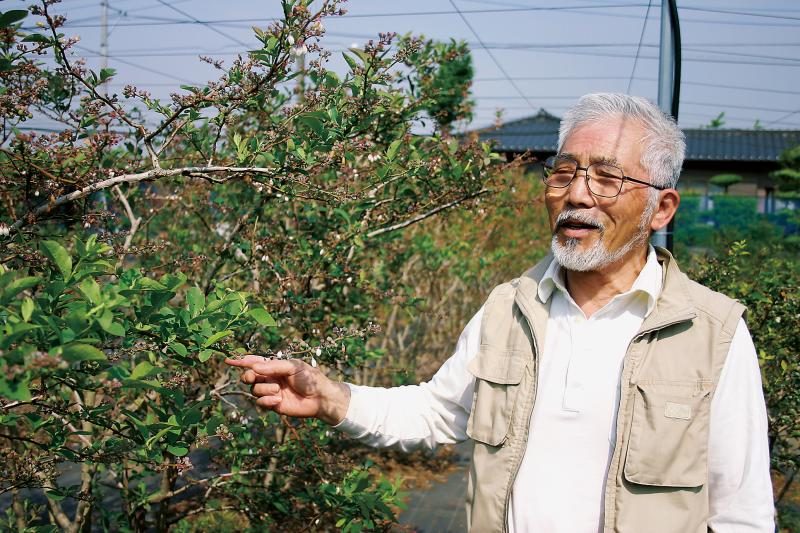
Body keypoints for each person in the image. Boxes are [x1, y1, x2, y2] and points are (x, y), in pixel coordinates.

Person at [226, 93, 774, 532]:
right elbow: (440, 412)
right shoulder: (508, 307)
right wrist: (331, 397)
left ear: (662, 208)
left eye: (606, 179)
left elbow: (741, 512)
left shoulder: (712, 331)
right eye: (564, 173)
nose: (577, 195)